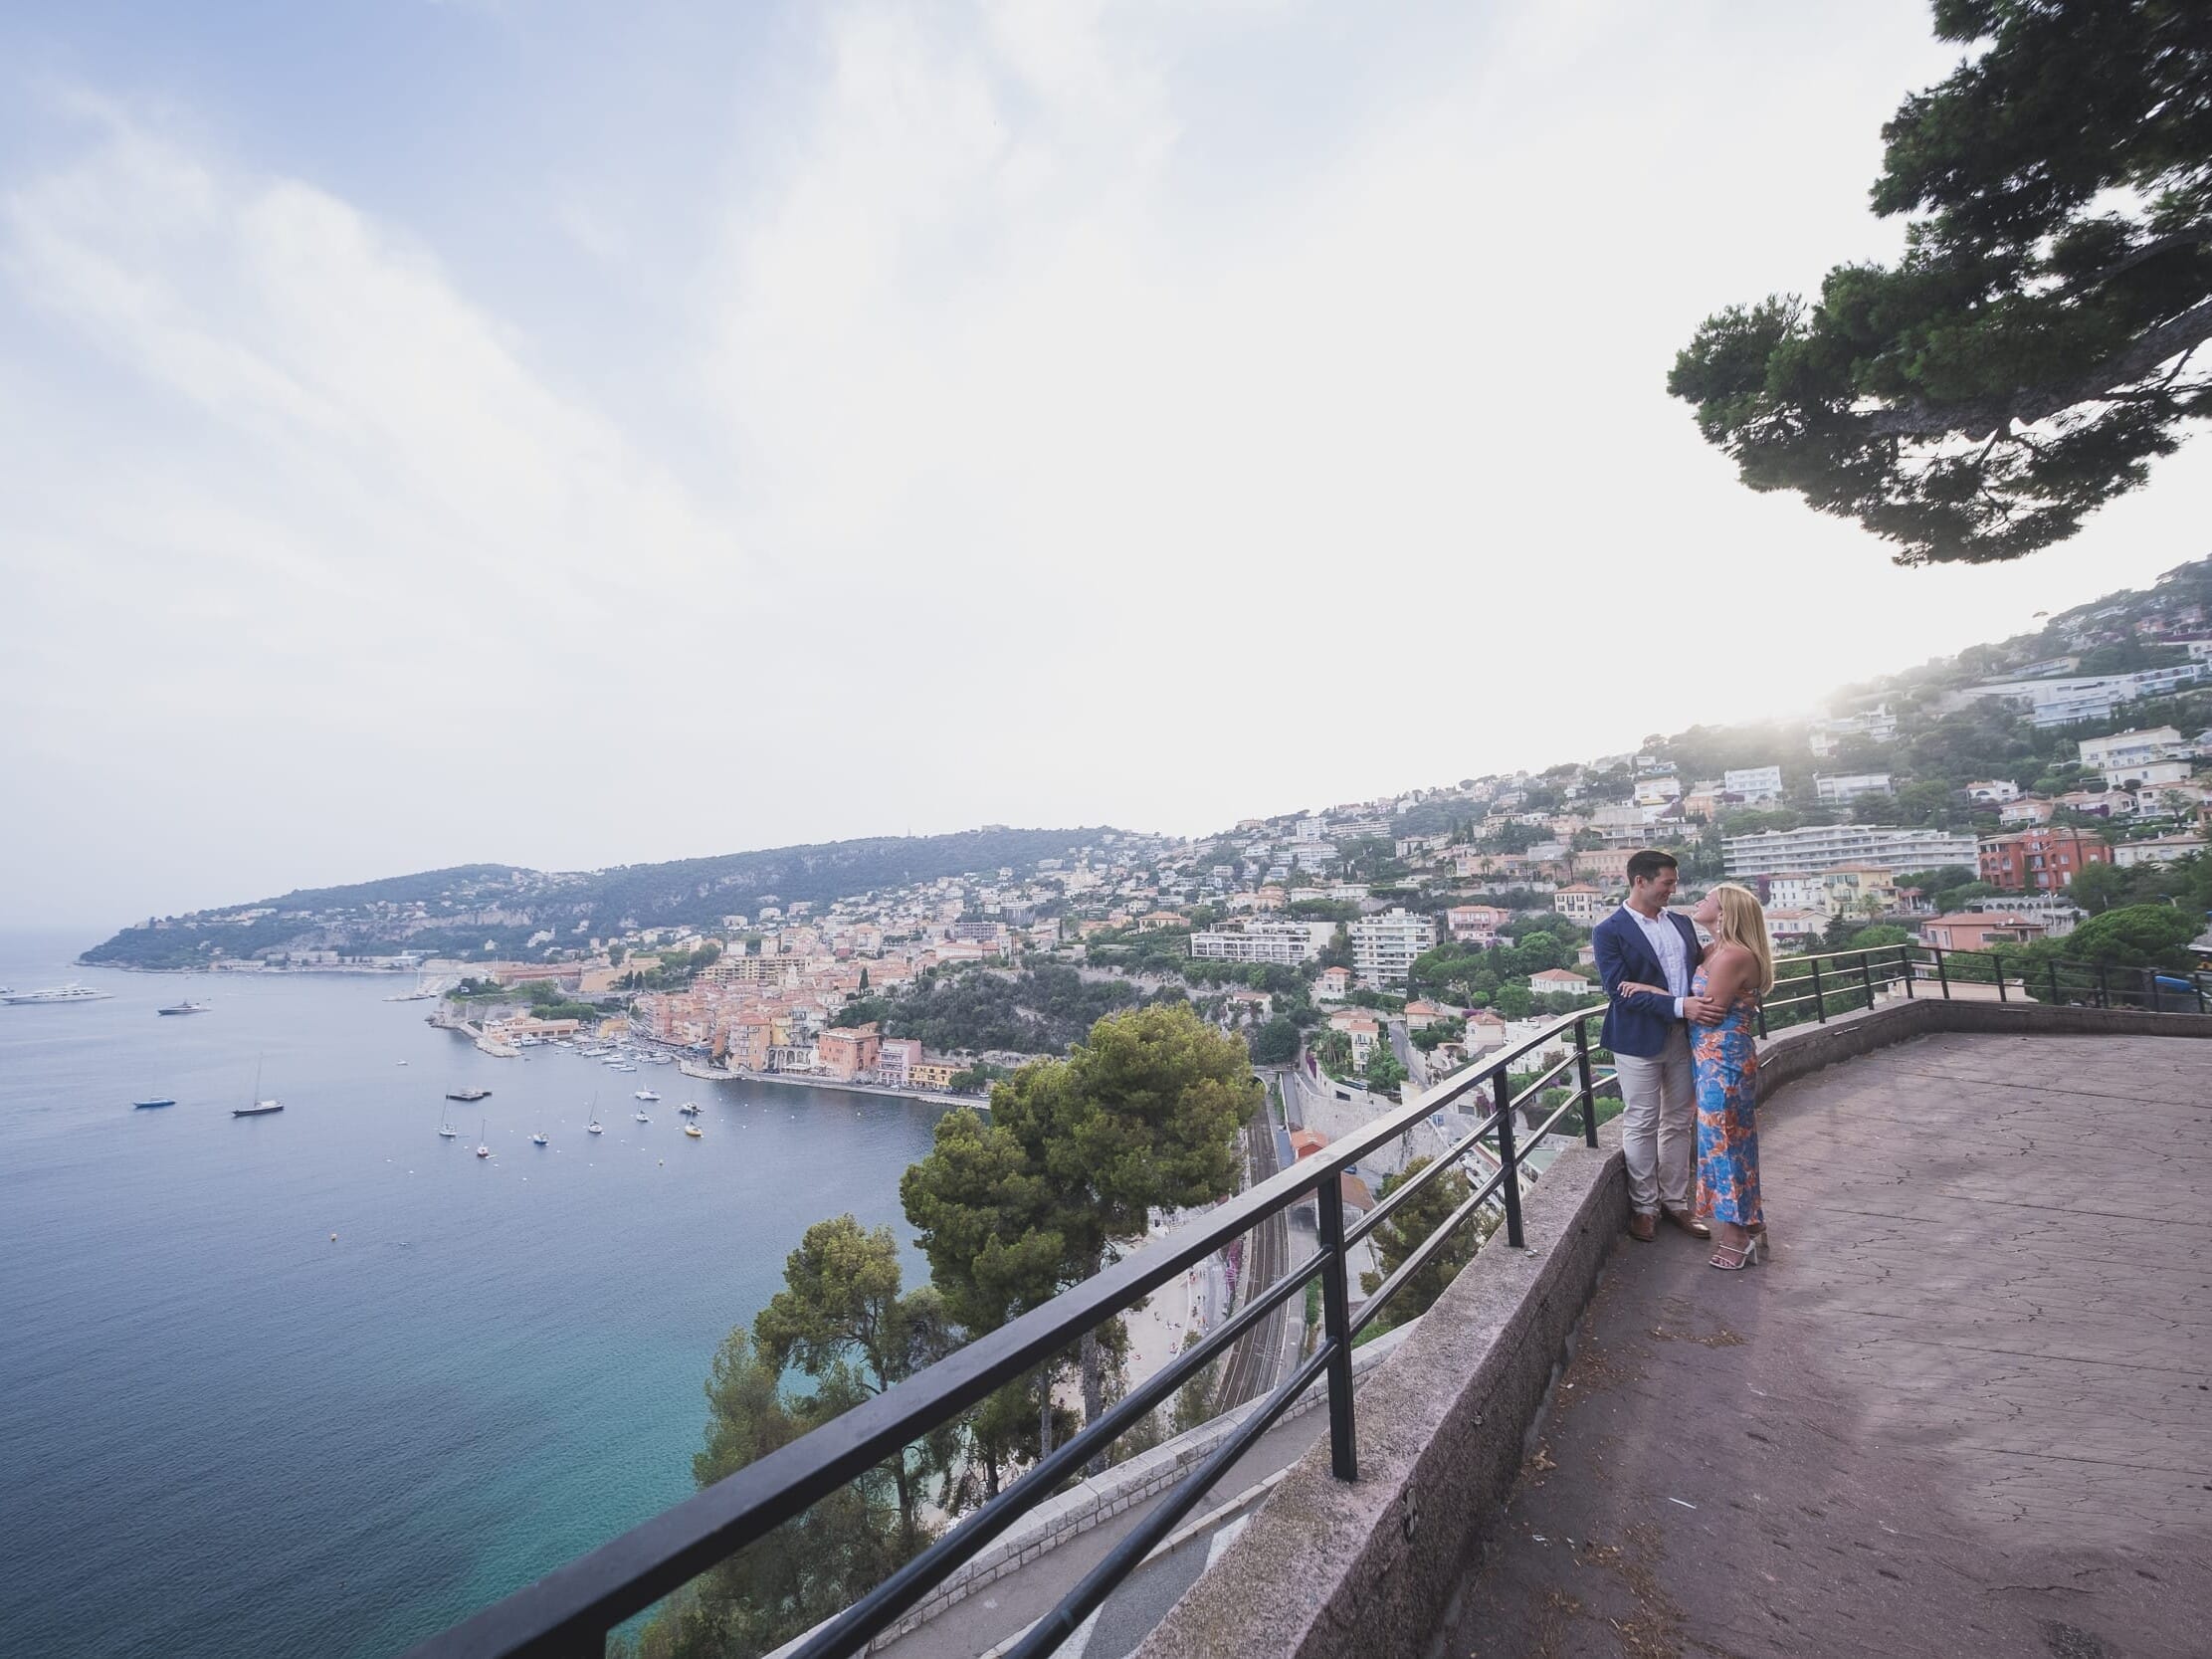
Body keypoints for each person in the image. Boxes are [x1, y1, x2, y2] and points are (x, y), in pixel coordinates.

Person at [1620, 882, 1773, 1269]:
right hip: (1708, 1061)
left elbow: (1706, 1010)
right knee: (1726, 1143)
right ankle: (1750, 1222)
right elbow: (1681, 995)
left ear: (1723, 914)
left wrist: (1649, 993)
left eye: (1709, 899)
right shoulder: (1713, 951)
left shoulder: (1730, 957)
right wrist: (1658, 994)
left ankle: (1737, 1237)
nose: (1699, 901)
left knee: (1724, 1146)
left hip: (1724, 1063)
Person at [1591, 850, 1717, 1243]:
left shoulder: (1680, 923)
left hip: (1683, 1036)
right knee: (1643, 1120)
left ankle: (1676, 1204)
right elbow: (1619, 992)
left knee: (1679, 1121)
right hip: (1637, 1040)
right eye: (1667, 882)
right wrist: (1679, 1005)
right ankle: (1644, 1208)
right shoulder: (1608, 931)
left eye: (1674, 882)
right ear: (1640, 881)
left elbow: (1699, 969)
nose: (1672, 889)